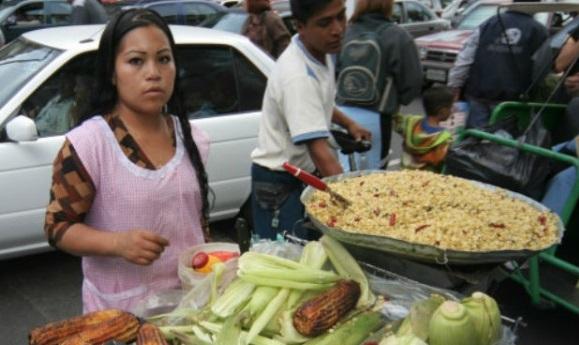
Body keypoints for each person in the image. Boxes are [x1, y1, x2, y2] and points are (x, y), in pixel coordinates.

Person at [43, 9, 211, 313]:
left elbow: (194, 221)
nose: (154, 73)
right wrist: (118, 244)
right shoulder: (89, 145)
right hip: (121, 315)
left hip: (188, 309)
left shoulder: (192, 138)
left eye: (164, 59)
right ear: (111, 72)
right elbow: (58, 227)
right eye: (136, 61)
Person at [250, 0, 371, 240]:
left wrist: (349, 123)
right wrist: (356, 204)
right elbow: (320, 152)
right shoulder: (297, 77)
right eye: (325, 23)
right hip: (278, 184)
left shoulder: (317, 51)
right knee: (286, 259)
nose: (337, 29)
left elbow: (320, 100)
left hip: (298, 175)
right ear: (300, 26)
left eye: (340, 17)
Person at [336, 0, 422, 170]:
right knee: (373, 176)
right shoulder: (398, 36)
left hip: (342, 114)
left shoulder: (346, 31)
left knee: (345, 171)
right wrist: (398, 100)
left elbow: (334, 71)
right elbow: (413, 82)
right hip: (377, 115)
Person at [447, 0, 548, 128]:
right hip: (513, 101)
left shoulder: (488, 24)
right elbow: (542, 68)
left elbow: (465, 59)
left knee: (473, 141)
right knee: (502, 143)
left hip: (479, 93)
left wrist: (454, 85)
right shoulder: (539, 31)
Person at [394, 86, 454, 172]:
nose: (452, 110)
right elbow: (440, 160)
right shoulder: (443, 138)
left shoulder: (411, 122)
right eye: (451, 107)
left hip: (404, 174)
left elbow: (396, 121)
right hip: (426, 180)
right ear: (442, 111)